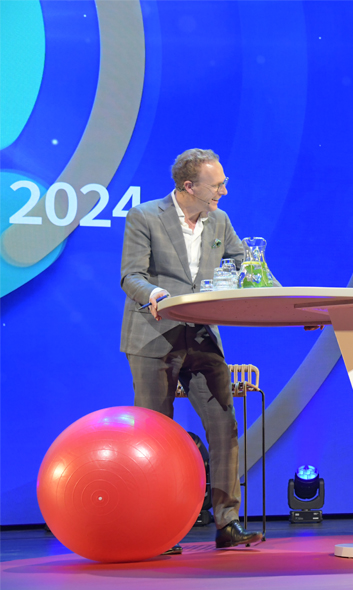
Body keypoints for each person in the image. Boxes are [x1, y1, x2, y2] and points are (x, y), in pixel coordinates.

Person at [120, 149, 264, 550]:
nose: (224, 190)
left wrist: (256, 282)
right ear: (189, 186)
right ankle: (158, 527)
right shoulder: (145, 216)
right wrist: (155, 294)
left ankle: (227, 523)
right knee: (155, 435)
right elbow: (131, 275)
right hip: (154, 334)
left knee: (224, 427)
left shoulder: (219, 220)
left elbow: (243, 261)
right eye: (217, 185)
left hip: (201, 337)